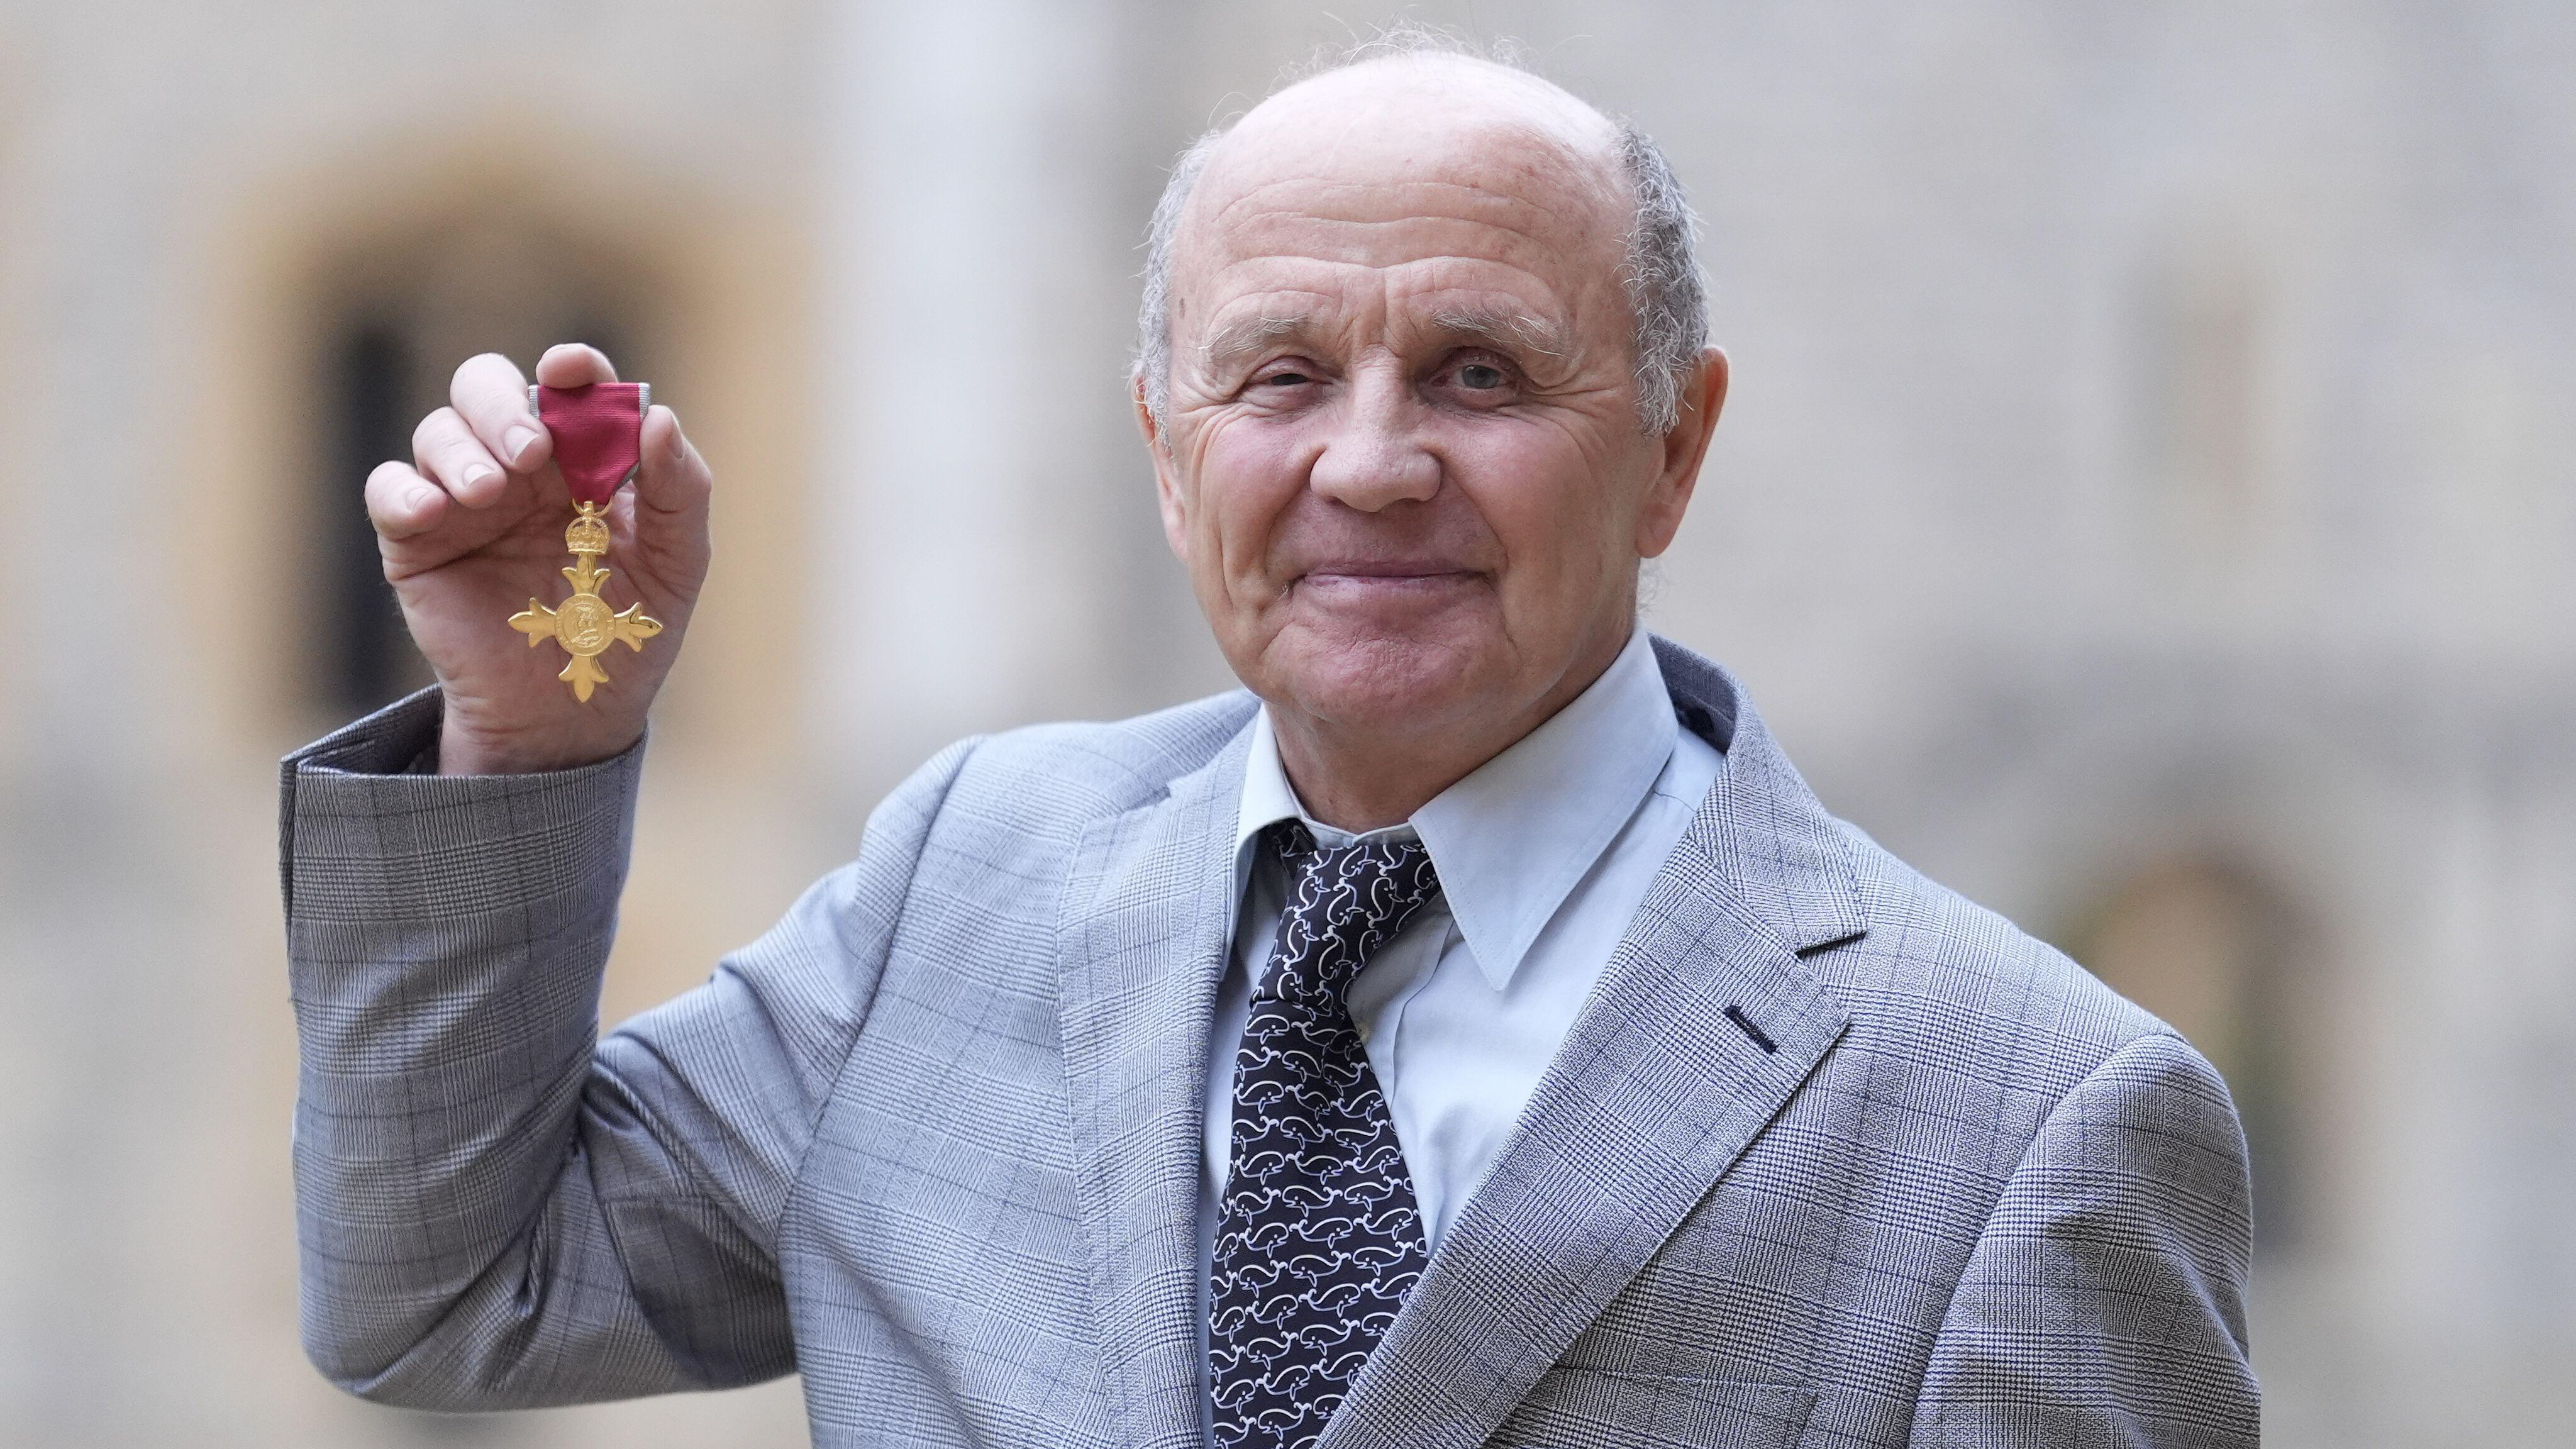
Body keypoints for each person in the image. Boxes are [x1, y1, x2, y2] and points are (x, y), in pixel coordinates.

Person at [282, 35, 2260, 1449]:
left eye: (1480, 373)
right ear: (1168, 452)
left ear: (1674, 446)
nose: (1372, 463)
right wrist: (527, 741)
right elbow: (448, 1298)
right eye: (1285, 374)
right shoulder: (969, 876)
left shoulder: (2028, 1121)